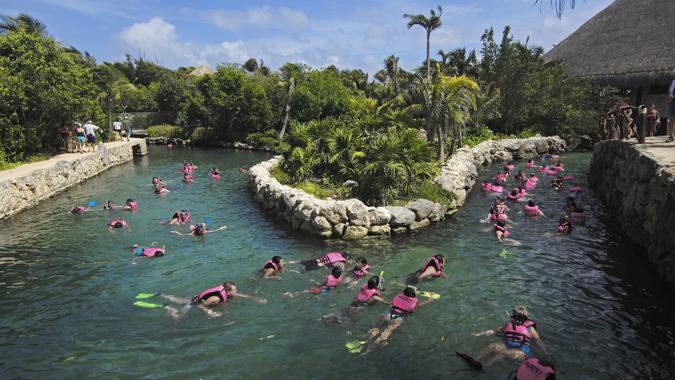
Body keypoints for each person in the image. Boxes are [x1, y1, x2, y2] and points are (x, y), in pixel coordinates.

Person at [362, 285, 435, 354]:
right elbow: (419, 306)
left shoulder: (398, 295)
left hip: (388, 314)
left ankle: (364, 339)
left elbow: (392, 303)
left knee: (376, 328)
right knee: (386, 333)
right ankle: (368, 350)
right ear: (413, 294)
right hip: (398, 319)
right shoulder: (415, 300)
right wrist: (429, 300)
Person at [467, 305, 545, 367]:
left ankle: (484, 366)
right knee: (492, 346)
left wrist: (546, 352)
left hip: (522, 351)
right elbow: (494, 331)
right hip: (508, 345)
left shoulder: (530, 329)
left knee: (503, 353)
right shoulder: (509, 325)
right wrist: (479, 334)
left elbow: (539, 342)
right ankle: (475, 360)